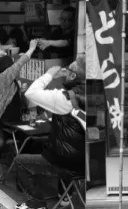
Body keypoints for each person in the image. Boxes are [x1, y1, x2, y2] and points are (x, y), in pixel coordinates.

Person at [14, 57, 86, 209]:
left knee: (20, 161)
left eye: (68, 70)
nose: (65, 72)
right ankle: (65, 194)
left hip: (68, 164)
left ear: (73, 76)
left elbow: (31, 93)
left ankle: (37, 204)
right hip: (88, 162)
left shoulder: (66, 98)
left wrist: (49, 73)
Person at [0, 39, 38, 191]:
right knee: (0, 143)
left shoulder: (10, 81)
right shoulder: (2, 78)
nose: (14, 68)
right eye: (11, 65)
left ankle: (20, 177)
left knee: (30, 143)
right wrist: (31, 49)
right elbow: (19, 63)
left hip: (16, 123)